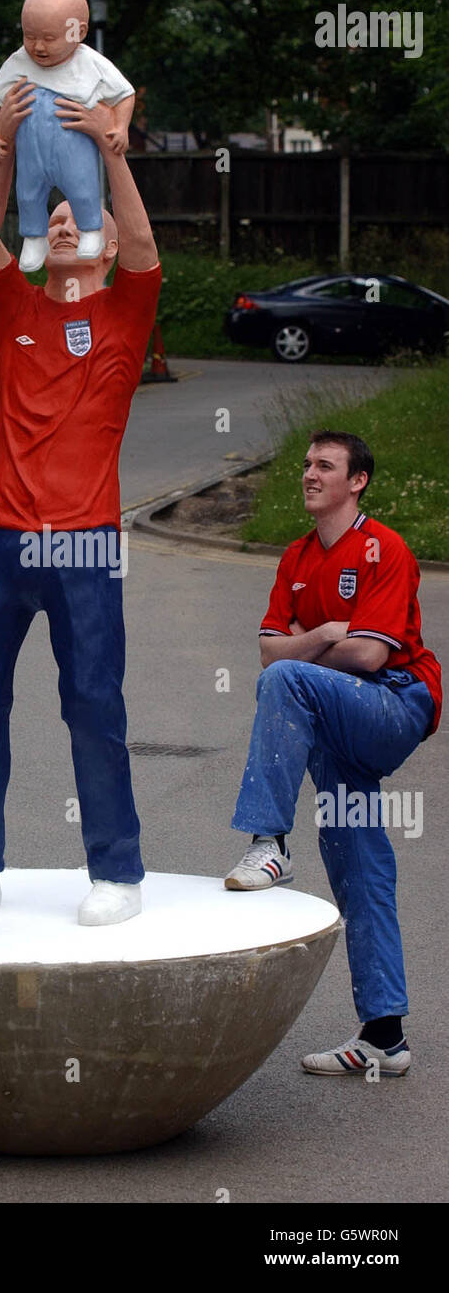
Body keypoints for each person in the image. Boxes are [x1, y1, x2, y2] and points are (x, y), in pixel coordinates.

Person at [0, 76, 161, 926]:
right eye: (55, 214)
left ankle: (115, 872)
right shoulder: (13, 311)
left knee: (93, 700)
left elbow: (140, 239)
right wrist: (1, 160)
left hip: (83, 541)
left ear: (101, 248)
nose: (64, 220)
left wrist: (109, 154)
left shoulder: (125, 315)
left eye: (80, 218)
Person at [224, 431, 442, 1075]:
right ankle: (385, 1036)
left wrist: (300, 648)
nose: (309, 474)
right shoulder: (294, 557)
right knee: (358, 863)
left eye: (326, 466)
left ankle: (269, 842)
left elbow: (371, 654)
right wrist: (323, 634)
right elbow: (267, 646)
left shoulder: (384, 548)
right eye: (306, 465)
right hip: (335, 713)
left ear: (358, 482)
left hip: (394, 703)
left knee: (286, 681)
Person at [0, 0, 135, 272]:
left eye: (49, 38)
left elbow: (125, 94)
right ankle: (34, 238)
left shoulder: (89, 63)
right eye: (30, 36)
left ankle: (91, 231)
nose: (38, 47)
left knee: (83, 188)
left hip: (73, 145)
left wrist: (121, 127)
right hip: (31, 150)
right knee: (28, 193)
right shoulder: (18, 62)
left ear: (79, 32)